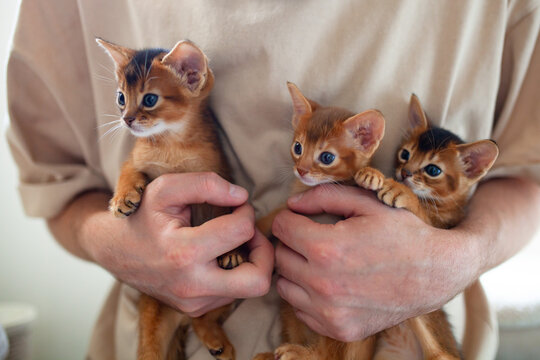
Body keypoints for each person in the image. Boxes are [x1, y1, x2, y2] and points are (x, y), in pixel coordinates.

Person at [6, 1, 540, 359]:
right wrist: (113, 240)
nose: (302, 167)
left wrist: (456, 257)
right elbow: (54, 181)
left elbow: (527, 173)